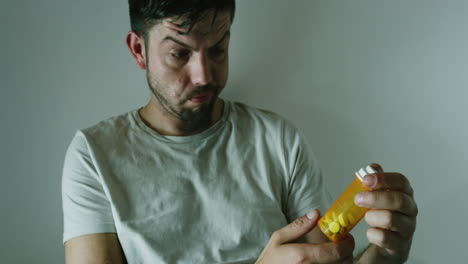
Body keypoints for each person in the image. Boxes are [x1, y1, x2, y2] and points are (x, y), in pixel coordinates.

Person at [62, 1, 418, 263]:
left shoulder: (278, 140)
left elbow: (323, 258)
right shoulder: (94, 154)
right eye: (179, 54)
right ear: (139, 50)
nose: (204, 75)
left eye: (217, 49)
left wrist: (385, 255)